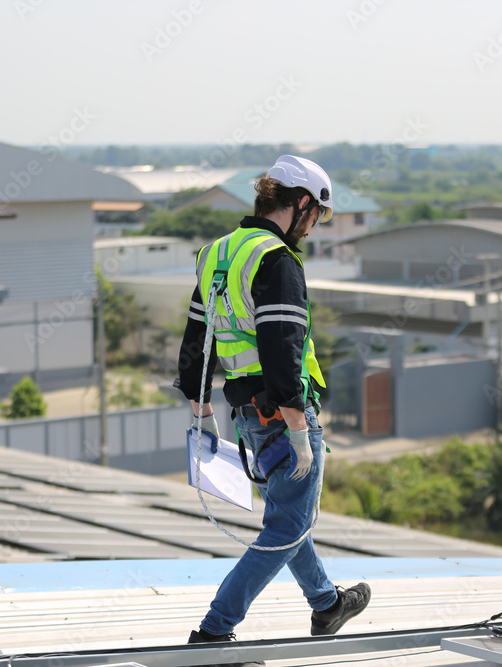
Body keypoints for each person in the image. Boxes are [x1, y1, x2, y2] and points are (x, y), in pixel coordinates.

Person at [175, 155, 371, 650]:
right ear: (302, 203)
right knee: (287, 524)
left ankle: (326, 605)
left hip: (248, 416)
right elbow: (282, 349)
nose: (312, 227)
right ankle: (213, 633)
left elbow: (197, 342)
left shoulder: (217, 252)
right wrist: (301, 431)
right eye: (317, 216)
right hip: (284, 416)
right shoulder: (276, 260)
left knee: (288, 518)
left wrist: (200, 416)